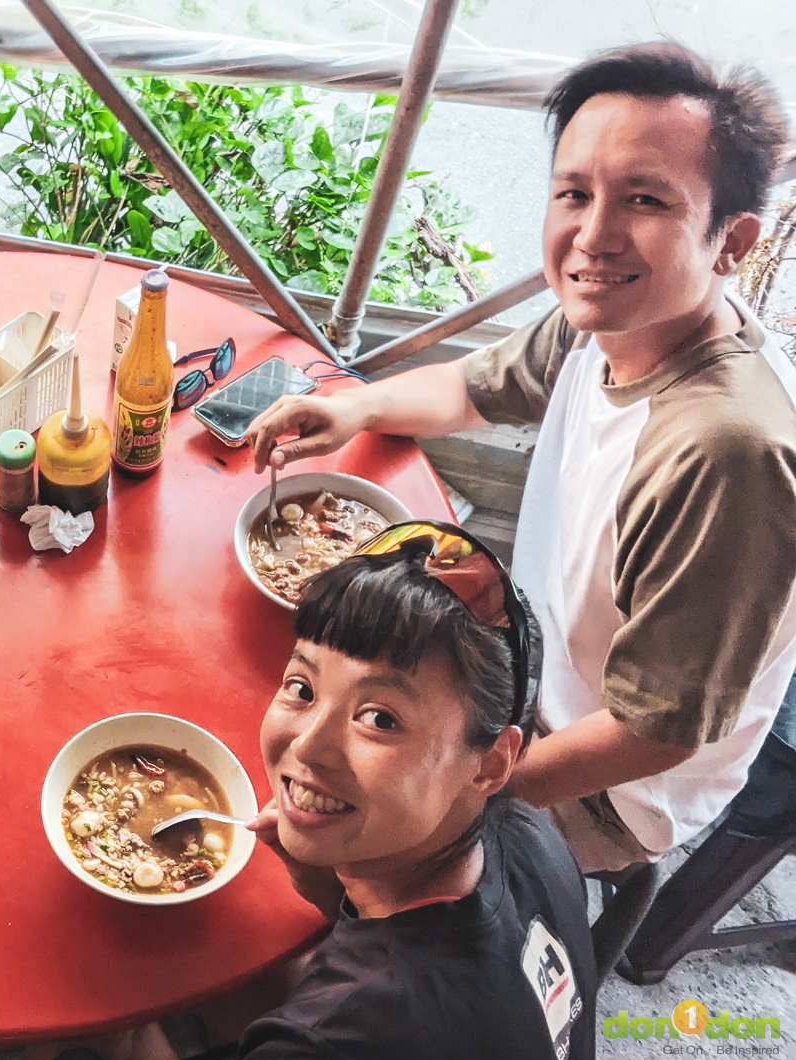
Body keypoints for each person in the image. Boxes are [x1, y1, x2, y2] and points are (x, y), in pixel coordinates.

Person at [245, 43, 796, 886]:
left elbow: (658, 728)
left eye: (646, 199)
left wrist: (456, 791)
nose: (593, 235)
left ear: (734, 241)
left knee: (326, 836)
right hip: (521, 674)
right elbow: (474, 387)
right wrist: (355, 405)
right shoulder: (611, 320)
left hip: (608, 781)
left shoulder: (722, 451)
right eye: (574, 193)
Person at [239, 525, 596, 1060]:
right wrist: (325, 885)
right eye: (302, 687)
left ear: (491, 762)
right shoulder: (530, 833)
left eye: (380, 719)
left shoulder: (323, 1044)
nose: (308, 747)